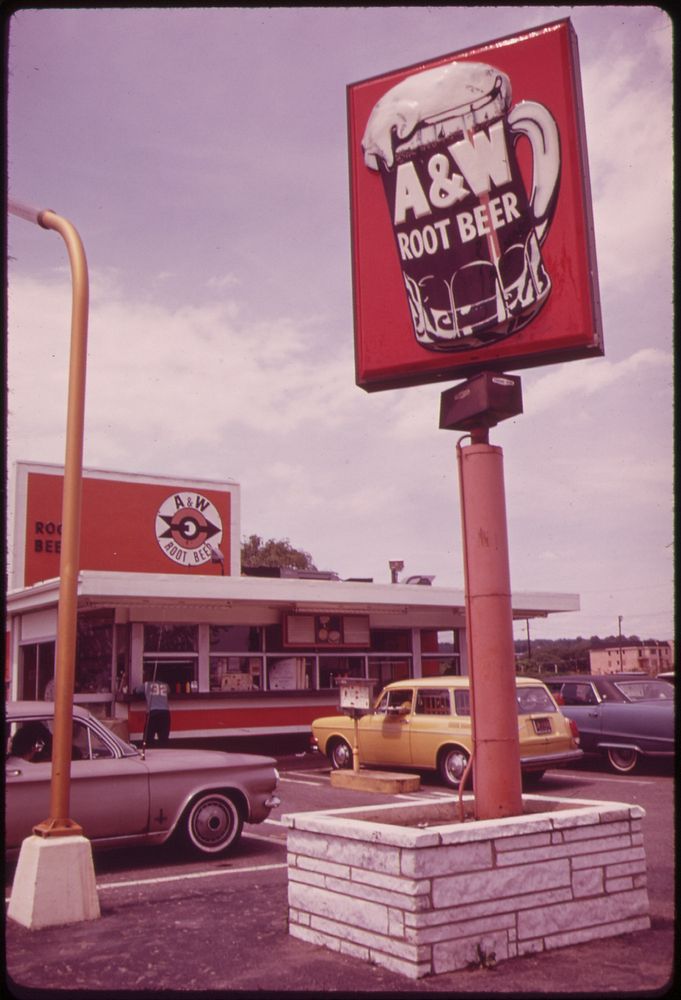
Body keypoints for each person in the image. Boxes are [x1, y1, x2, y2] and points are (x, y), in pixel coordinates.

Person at [135, 679, 171, 746]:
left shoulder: (146, 684)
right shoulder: (166, 685)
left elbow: (136, 691)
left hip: (153, 712)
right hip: (165, 712)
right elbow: (168, 692)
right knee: (164, 739)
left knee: (148, 738)